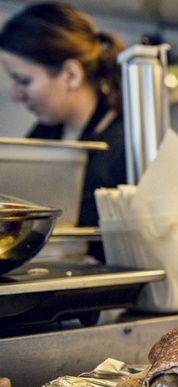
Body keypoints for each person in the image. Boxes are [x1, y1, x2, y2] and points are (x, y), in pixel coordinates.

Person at [0, 2, 127, 262]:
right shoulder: (44, 134)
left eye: (24, 81)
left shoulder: (123, 143)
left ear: (70, 74)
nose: (15, 94)